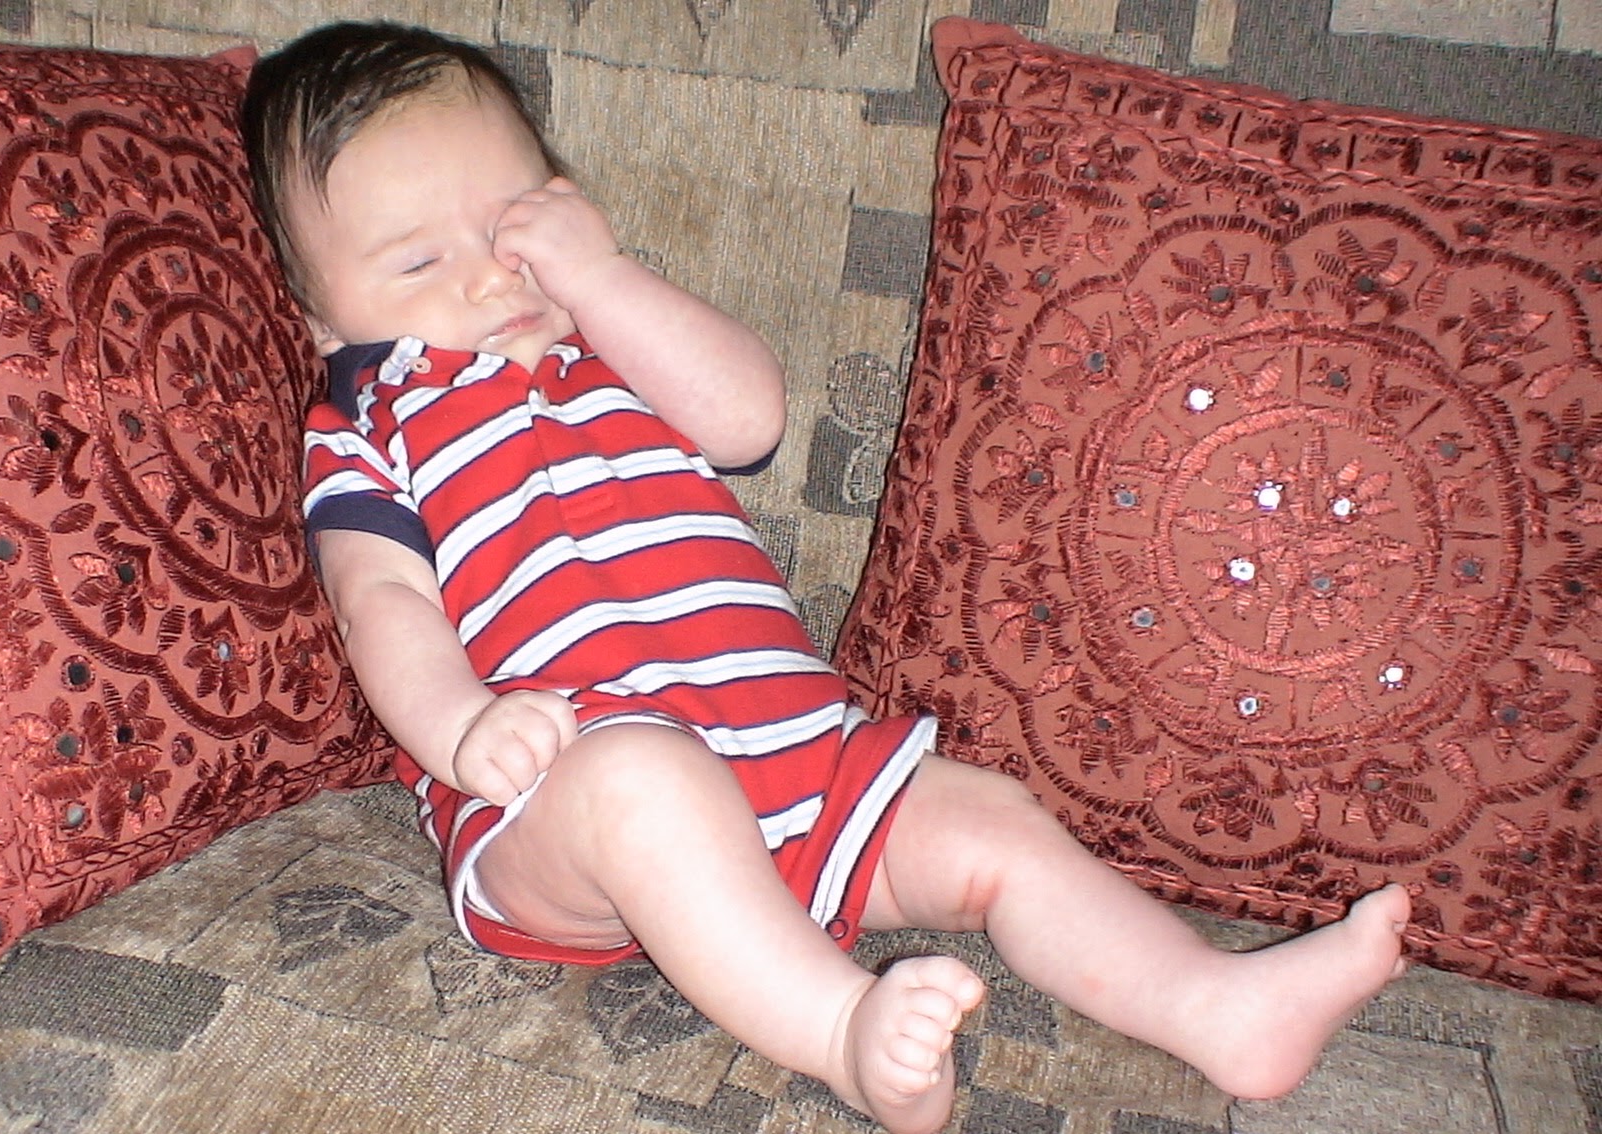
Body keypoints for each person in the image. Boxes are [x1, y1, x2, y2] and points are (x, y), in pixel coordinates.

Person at [241, 22, 1411, 1133]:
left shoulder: (613, 340)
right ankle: (841, 1029)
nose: (492, 278)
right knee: (642, 784)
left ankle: (1212, 1006)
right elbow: (381, 601)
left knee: (993, 821)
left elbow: (746, 417)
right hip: (560, 800)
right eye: (420, 261)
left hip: (806, 762)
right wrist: (462, 729)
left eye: (513, 224)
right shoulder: (370, 426)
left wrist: (601, 276)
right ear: (319, 320)